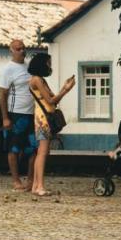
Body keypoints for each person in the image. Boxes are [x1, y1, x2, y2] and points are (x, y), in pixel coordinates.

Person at [26, 54, 74, 196]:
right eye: (48, 63)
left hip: (43, 118)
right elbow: (51, 100)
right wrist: (66, 89)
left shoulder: (41, 80)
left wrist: (64, 89)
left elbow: (53, 99)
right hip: (43, 119)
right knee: (42, 153)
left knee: (43, 152)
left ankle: (36, 185)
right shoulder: (36, 80)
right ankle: (39, 186)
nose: (49, 66)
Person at [0, 39, 36, 190]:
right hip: (15, 114)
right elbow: (3, 95)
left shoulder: (28, 67)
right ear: (11, 51)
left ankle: (31, 180)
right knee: (14, 148)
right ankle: (16, 180)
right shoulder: (8, 69)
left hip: (31, 114)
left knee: (33, 148)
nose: (22, 51)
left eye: (23, 48)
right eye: (18, 49)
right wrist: (5, 117)